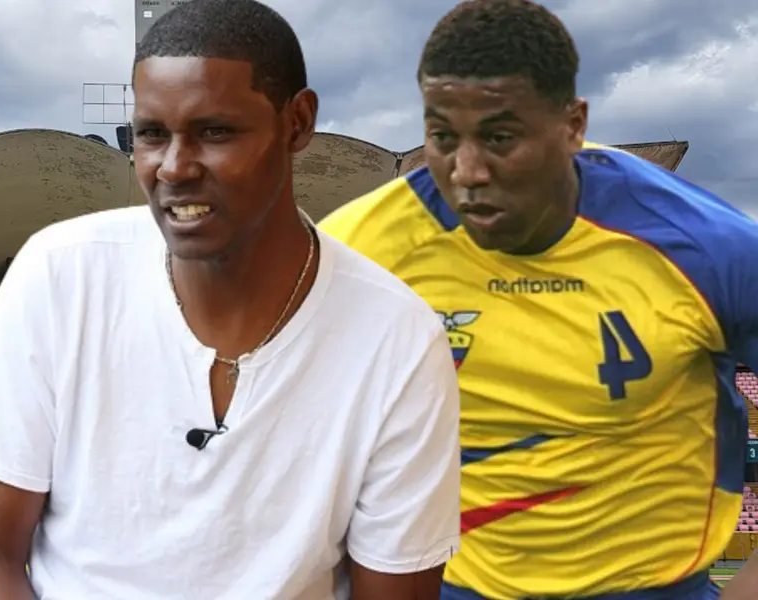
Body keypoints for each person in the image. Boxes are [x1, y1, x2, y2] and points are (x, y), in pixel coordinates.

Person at [0, 0, 461, 598]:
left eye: (215, 132)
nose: (174, 168)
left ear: (298, 122)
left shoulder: (397, 339)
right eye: (151, 135)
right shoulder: (59, 277)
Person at [319, 0, 758, 598]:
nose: (467, 170)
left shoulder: (708, 249)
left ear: (573, 124)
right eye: (442, 137)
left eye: (500, 137)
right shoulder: (357, 253)